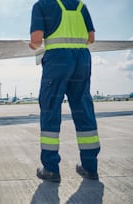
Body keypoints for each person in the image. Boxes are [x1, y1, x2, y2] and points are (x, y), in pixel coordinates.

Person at [29, 0, 100, 182]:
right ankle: (90, 167)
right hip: (82, 59)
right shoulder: (81, 6)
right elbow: (91, 38)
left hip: (57, 59)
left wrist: (33, 46)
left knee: (50, 109)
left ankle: (51, 169)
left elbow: (37, 40)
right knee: (83, 107)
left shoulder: (41, 5)